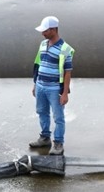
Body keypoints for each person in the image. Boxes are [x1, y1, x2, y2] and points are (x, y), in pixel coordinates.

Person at [28, 16, 74, 156]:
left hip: (54, 89)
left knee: (58, 117)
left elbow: (67, 72)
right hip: (41, 86)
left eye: (45, 31)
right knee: (41, 112)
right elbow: (38, 65)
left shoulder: (65, 49)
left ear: (54, 29)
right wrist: (36, 84)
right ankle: (45, 138)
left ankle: (58, 143)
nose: (43, 33)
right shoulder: (43, 44)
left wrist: (65, 93)